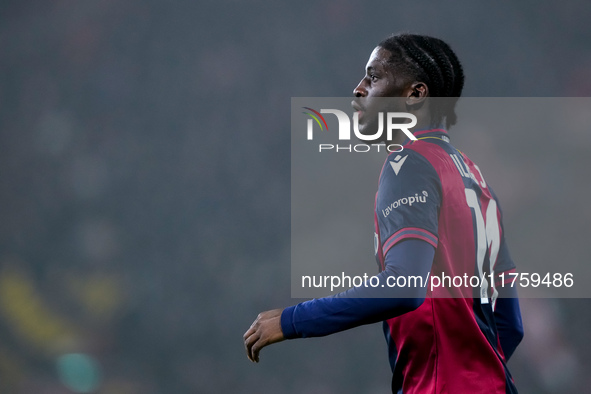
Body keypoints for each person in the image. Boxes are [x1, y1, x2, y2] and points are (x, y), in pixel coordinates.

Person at [244, 33, 524, 393]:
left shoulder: (410, 164)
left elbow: (404, 286)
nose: (358, 89)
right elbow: (510, 324)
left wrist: (292, 319)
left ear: (414, 94)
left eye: (373, 77)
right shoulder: (476, 179)